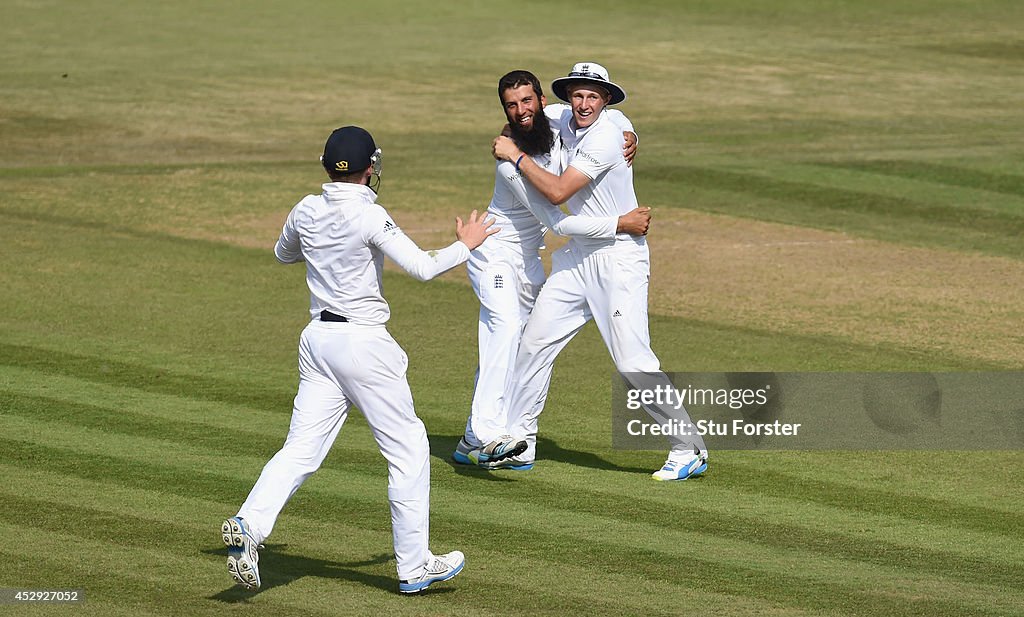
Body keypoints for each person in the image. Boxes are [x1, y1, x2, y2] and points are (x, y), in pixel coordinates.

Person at [220, 126, 507, 595]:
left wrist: (322, 246)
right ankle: (414, 567)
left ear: (326, 166)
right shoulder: (371, 217)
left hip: (318, 341)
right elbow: (423, 267)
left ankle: (249, 525)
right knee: (409, 449)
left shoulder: (305, 208)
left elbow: (282, 254)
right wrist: (468, 243)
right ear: (370, 167)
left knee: (300, 450)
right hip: (362, 345)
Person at [489, 62, 709, 481]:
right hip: (577, 256)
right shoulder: (562, 118)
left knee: (632, 360)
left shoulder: (609, 133)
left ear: (606, 99)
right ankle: (520, 441)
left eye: (593, 95)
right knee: (534, 343)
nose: (584, 103)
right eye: (577, 94)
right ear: (565, 97)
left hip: (619, 255)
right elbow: (528, 115)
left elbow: (556, 193)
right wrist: (506, 138)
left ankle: (689, 447)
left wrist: (514, 155)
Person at [452, 70, 652, 469]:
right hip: (497, 254)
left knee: (526, 345)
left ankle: (479, 438)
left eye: (527, 102)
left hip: (533, 261)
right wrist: (620, 223)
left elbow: (604, 111)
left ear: (543, 101)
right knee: (507, 332)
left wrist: (631, 134)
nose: (521, 111)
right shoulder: (511, 163)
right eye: (512, 105)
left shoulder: (561, 117)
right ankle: (492, 435)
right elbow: (558, 215)